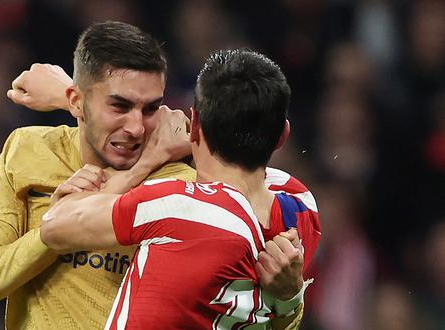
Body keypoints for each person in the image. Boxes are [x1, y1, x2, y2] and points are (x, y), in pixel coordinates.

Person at [0, 21, 313, 329]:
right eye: (120, 105)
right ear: (76, 101)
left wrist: (289, 299)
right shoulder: (28, 150)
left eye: (151, 108)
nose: (137, 128)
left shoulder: (186, 187)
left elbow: (243, 314)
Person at [40, 48, 320, 329]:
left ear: (195, 123)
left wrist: (150, 157)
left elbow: (54, 226)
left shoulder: (179, 208)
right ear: (283, 135)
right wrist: (290, 298)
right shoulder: (302, 211)